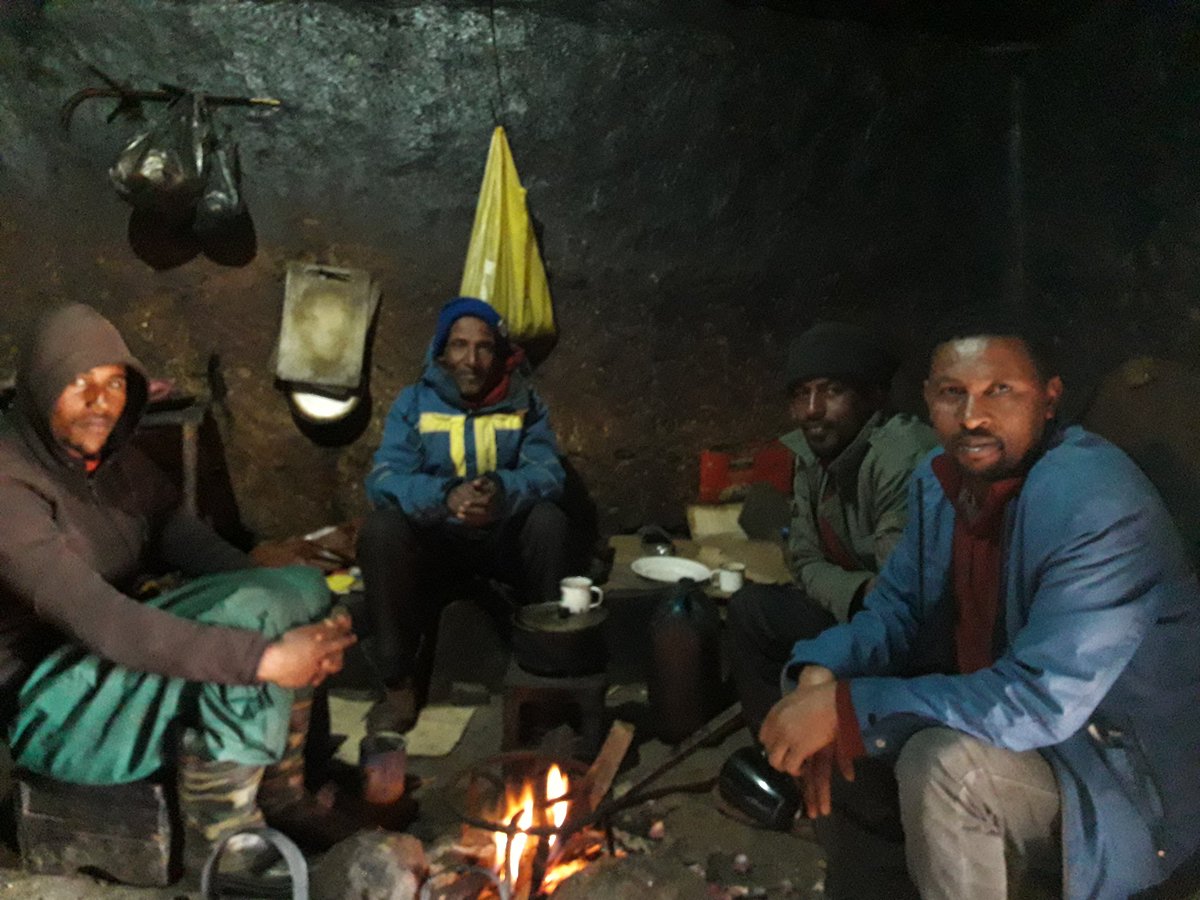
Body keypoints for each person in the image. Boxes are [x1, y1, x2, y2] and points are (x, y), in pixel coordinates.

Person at [759, 320, 1200, 900]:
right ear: (928, 401)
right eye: (953, 393)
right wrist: (824, 672)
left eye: (1000, 391)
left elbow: (1039, 700)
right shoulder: (942, 482)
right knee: (838, 732)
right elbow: (896, 610)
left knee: (943, 766)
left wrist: (847, 707)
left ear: (1048, 400)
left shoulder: (1094, 502)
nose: (972, 418)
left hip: (1117, 781)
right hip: (1015, 734)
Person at [0, 303, 361, 874]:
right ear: (42, 387)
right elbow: (104, 621)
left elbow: (177, 532)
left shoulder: (110, 462)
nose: (101, 402)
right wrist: (265, 657)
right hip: (49, 706)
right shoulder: (8, 484)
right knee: (251, 627)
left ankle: (280, 793)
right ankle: (223, 843)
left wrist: (301, 610)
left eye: (115, 384)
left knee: (295, 587)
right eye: (79, 382)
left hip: (103, 664)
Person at [358, 296, 569, 734]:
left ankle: (548, 673)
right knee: (381, 530)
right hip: (437, 540)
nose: (471, 360)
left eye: (483, 347)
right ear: (441, 351)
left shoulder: (524, 402)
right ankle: (398, 683)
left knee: (549, 522)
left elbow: (548, 473)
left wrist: (502, 492)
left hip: (499, 541)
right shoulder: (414, 403)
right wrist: (445, 496)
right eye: (459, 345)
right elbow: (384, 479)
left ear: (499, 354)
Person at [727, 322, 936, 733]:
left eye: (832, 391)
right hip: (858, 609)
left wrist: (860, 596)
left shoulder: (900, 456)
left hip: (906, 633)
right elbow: (804, 559)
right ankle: (777, 750)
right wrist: (856, 591)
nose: (812, 410)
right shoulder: (812, 454)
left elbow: (901, 599)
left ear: (873, 397)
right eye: (801, 394)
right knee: (752, 610)